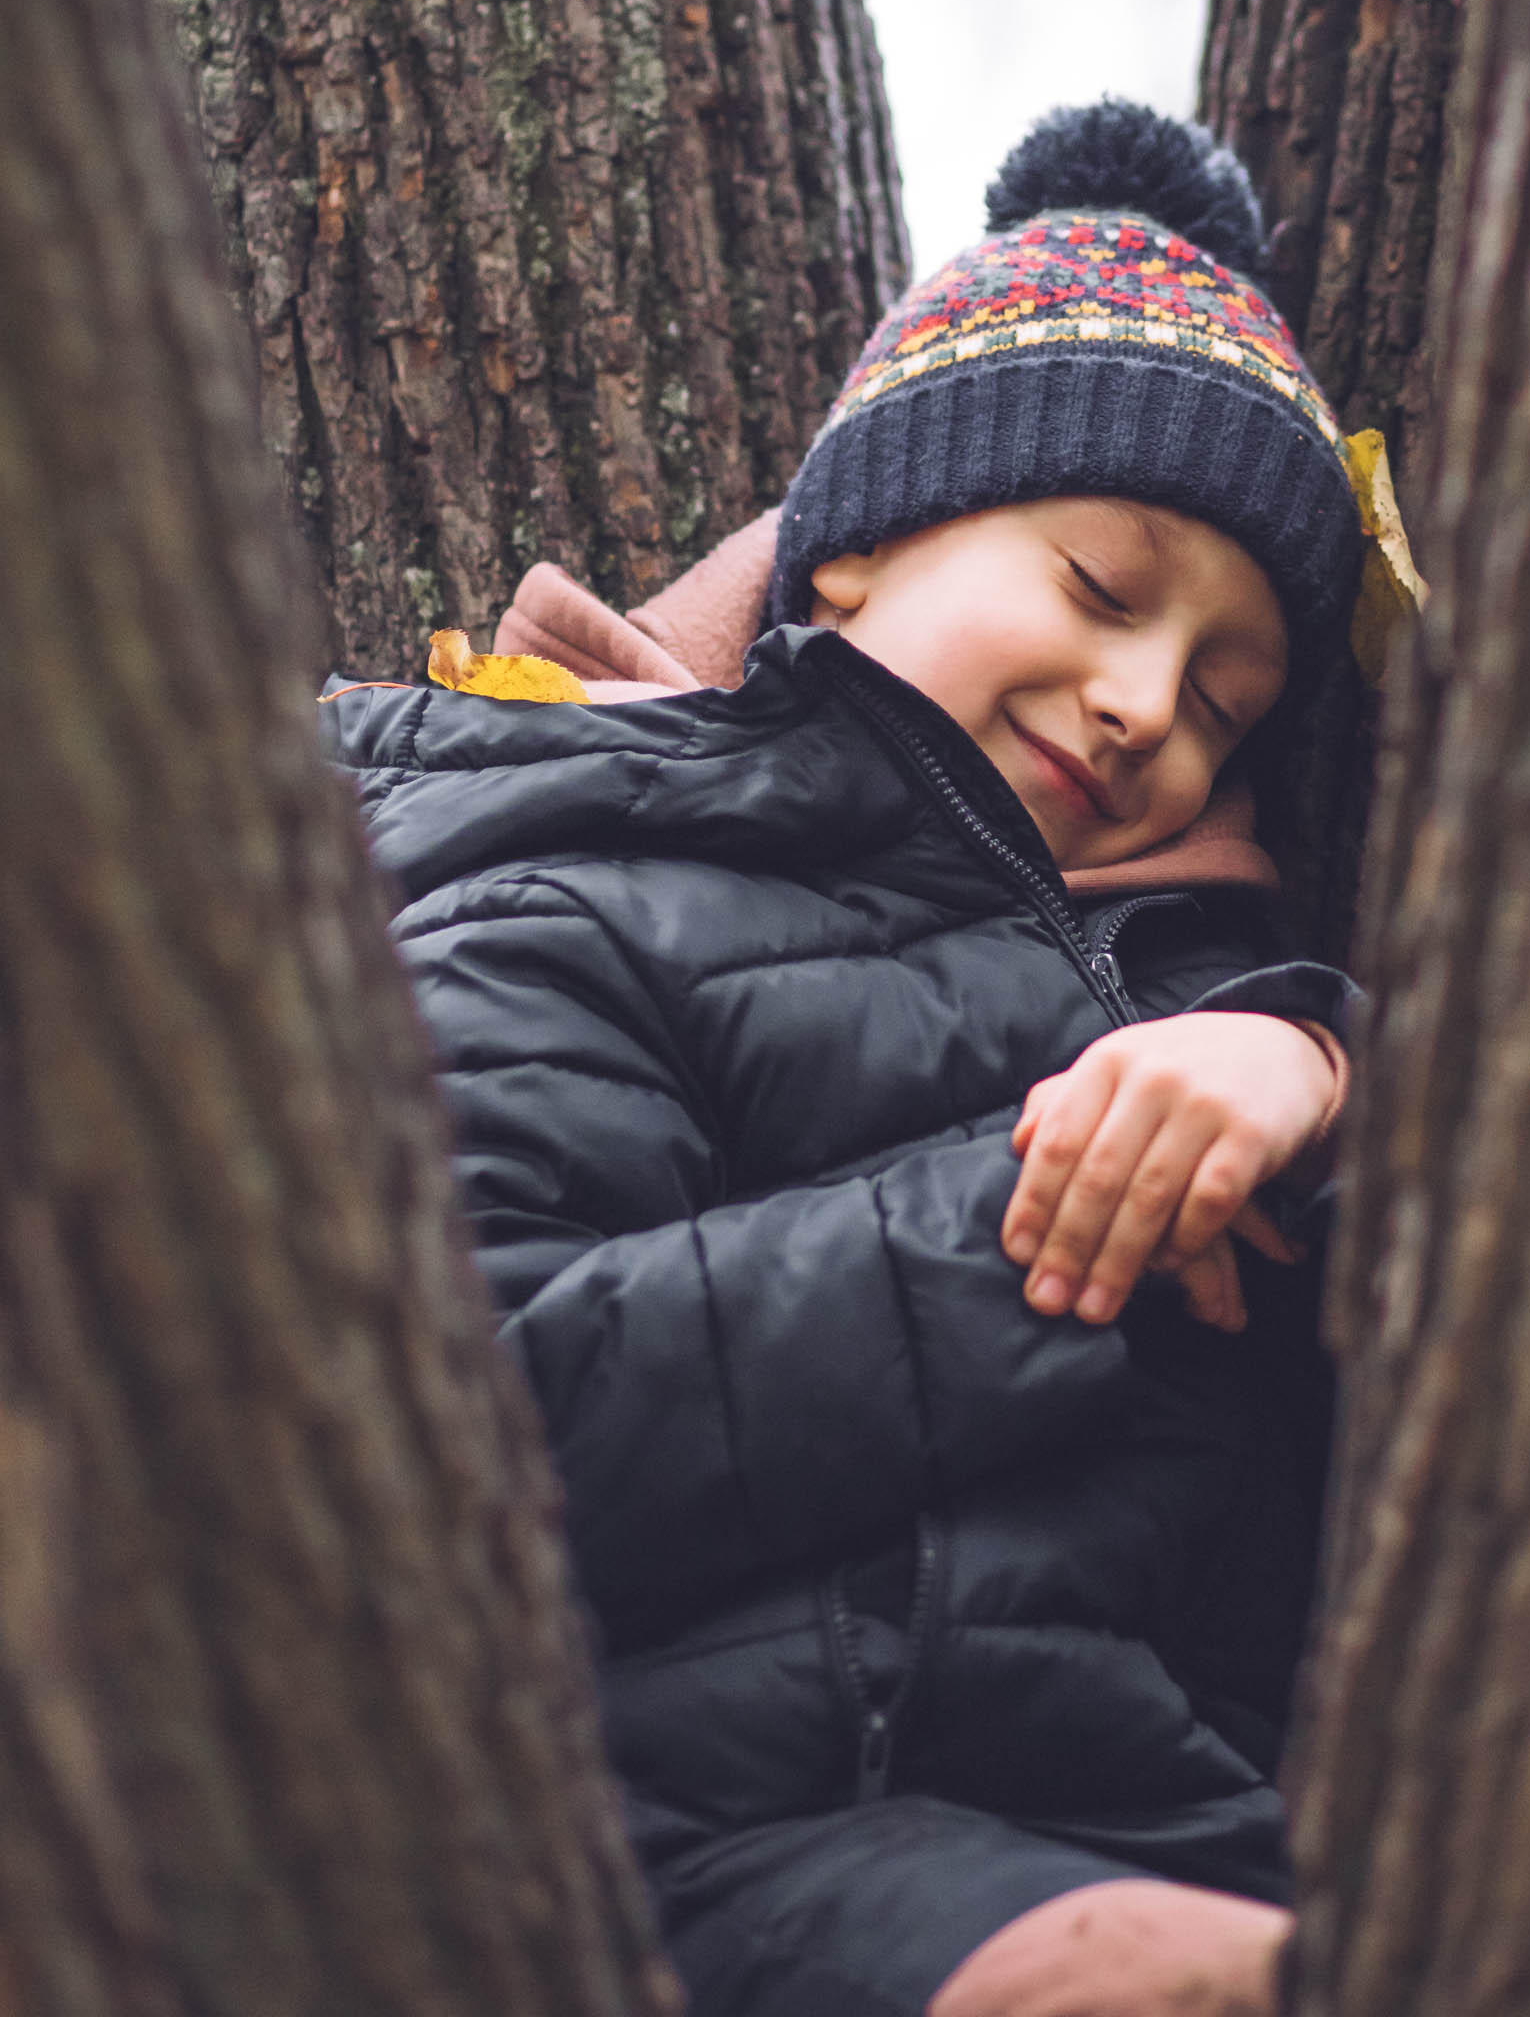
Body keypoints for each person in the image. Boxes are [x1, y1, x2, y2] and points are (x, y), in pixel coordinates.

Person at [322, 101, 1368, 2017]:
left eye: (1230, 699)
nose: (1148, 706)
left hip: (1163, 1820)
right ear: (860, 549)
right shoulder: (589, 890)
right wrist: (1035, 1228)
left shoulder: (1213, 995)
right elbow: (461, 1423)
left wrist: (1311, 1074)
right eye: (1104, 590)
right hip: (689, 1846)